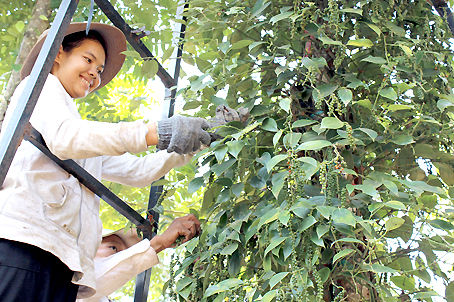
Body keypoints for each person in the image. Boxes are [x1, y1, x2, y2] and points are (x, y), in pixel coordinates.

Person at [0, 22, 211, 302]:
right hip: (23, 244)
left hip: (62, 262)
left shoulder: (77, 133)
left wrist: (195, 141)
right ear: (58, 54)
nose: (94, 74)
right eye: (88, 60)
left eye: (99, 70)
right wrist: (154, 132)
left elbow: (137, 171)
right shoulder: (40, 87)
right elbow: (64, 137)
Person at [77, 214, 201, 302]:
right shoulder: (66, 285)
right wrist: (160, 243)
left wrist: (194, 277)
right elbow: (88, 283)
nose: (122, 259)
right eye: (113, 247)